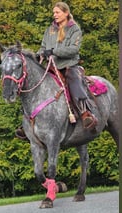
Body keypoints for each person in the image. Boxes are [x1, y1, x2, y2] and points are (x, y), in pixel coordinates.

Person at [16, 2, 97, 140]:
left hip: (69, 65)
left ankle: (85, 114)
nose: (55, 15)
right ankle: (28, 122)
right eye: (54, 13)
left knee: (74, 82)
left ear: (66, 13)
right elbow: (43, 47)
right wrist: (40, 54)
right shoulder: (50, 30)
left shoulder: (74, 29)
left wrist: (54, 51)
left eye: (57, 12)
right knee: (32, 86)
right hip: (51, 67)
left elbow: (74, 49)